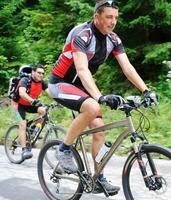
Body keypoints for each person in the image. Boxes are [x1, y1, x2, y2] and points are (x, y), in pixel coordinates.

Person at [48, 0, 158, 196]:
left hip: (82, 87)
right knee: (91, 108)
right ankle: (64, 149)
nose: (113, 21)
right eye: (109, 17)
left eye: (116, 17)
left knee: (99, 131)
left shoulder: (113, 39)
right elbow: (81, 69)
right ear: (96, 16)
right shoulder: (82, 34)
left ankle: (98, 178)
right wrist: (100, 97)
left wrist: (146, 90)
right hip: (61, 83)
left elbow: (127, 67)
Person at [11, 64, 50, 160]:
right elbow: (22, 93)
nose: (41, 75)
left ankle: (33, 129)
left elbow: (51, 93)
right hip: (17, 105)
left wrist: (62, 100)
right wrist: (33, 101)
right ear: (33, 72)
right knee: (23, 124)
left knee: (43, 111)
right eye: (39, 73)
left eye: (43, 73)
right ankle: (24, 150)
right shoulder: (25, 80)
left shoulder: (42, 83)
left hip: (29, 104)